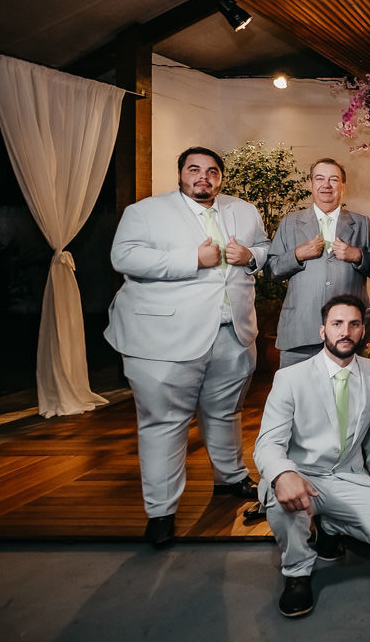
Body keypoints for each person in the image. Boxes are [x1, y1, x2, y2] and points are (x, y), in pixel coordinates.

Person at [104, 146, 270, 548]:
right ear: (180, 174)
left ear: (221, 178)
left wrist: (251, 256)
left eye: (212, 171)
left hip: (233, 332)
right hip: (165, 339)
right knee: (164, 423)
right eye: (194, 169)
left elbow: (265, 248)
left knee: (226, 412)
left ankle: (230, 477)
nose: (203, 177)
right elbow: (123, 257)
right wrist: (191, 258)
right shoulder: (146, 212)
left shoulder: (244, 210)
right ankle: (161, 512)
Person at [254, 295, 370, 618]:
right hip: (302, 474)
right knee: (281, 496)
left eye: (354, 324)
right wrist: (282, 474)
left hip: (348, 475)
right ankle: (297, 572)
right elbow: (267, 443)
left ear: (363, 330)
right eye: (337, 324)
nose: (345, 331)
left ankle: (328, 524)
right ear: (322, 331)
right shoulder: (290, 378)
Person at [267, 158, 370, 367]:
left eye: (333, 179)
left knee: (348, 388)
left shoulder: (361, 223)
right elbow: (272, 270)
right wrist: (297, 254)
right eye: (319, 179)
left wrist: (357, 255)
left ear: (343, 186)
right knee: (296, 388)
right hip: (300, 332)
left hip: (349, 333)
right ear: (311, 184)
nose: (326, 185)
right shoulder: (290, 222)